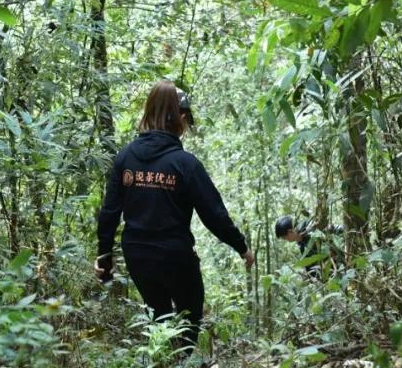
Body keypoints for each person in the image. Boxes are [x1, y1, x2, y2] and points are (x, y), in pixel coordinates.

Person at [94, 80, 254, 351]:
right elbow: (214, 214)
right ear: (180, 118)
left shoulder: (125, 157)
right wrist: (242, 247)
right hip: (175, 255)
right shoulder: (185, 164)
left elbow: (110, 211)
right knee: (189, 318)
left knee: (159, 315)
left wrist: (103, 256)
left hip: (137, 254)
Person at [274, 216, 341, 278]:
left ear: (290, 231)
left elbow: (336, 229)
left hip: (338, 263)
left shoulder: (312, 228)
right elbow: (309, 263)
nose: (285, 239)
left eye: (284, 237)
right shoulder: (300, 241)